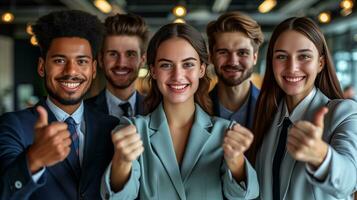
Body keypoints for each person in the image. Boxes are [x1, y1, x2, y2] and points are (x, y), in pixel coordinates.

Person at [101, 23, 259, 199]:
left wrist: (235, 161)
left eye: (188, 64)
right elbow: (120, 197)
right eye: (166, 65)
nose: (177, 76)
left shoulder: (225, 132)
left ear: (201, 69)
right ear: (153, 71)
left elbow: (244, 196)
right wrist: (121, 161)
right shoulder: (133, 130)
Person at [0, 10, 118, 199]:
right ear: (41, 67)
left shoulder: (112, 127)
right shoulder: (13, 126)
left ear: (94, 69)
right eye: (59, 60)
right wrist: (34, 159)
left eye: (82, 61)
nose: (71, 71)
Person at [248, 17, 357, 200]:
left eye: (304, 56)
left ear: (320, 63)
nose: (292, 68)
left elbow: (350, 180)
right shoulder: (268, 116)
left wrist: (322, 156)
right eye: (282, 56)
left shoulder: (344, 113)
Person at [206, 11, 264, 129]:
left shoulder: (274, 110)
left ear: (254, 57)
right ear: (211, 57)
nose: (233, 62)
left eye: (242, 53)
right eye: (223, 52)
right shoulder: (196, 110)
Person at [86, 13, 149, 118]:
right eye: (113, 54)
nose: (121, 63)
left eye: (130, 54)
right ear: (101, 59)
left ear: (142, 60)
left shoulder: (158, 111)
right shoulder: (83, 112)